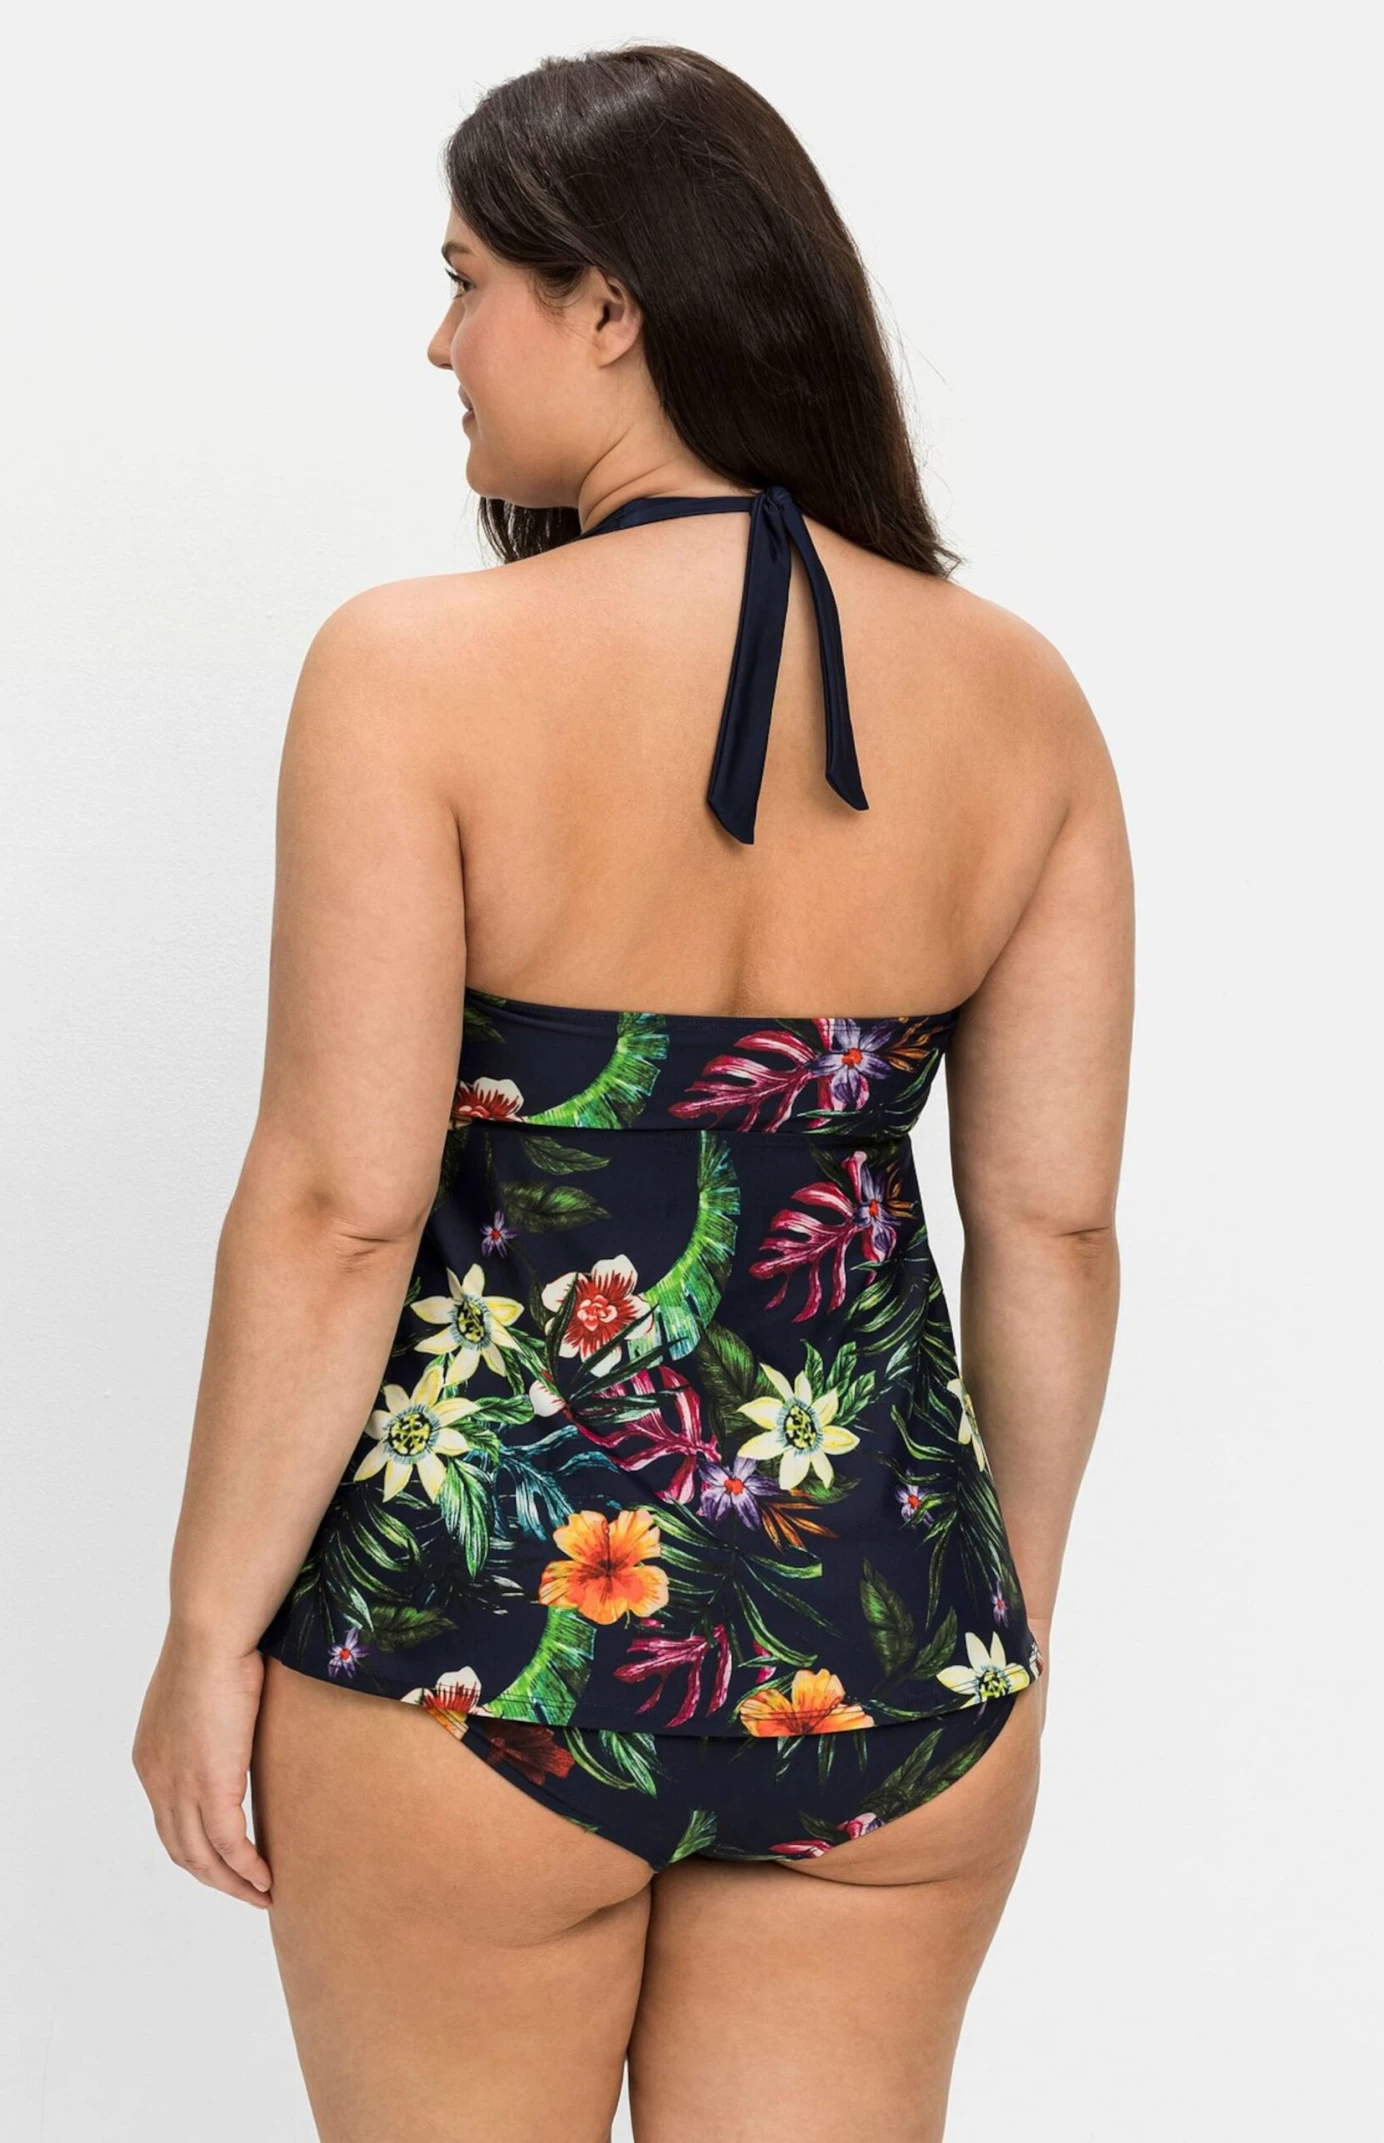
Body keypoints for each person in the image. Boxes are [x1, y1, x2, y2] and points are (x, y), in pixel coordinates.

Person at [132, 41, 1132, 2143]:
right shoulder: (1021, 698)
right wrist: (997, 1614)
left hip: (474, 1629)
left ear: (610, 304)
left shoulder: (416, 667)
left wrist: (208, 1625)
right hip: (889, 1631)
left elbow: (339, 1204)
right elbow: (1050, 1227)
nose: (442, 342)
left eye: (468, 278)